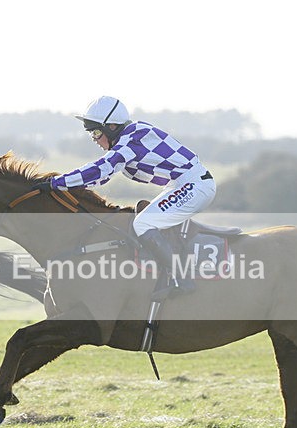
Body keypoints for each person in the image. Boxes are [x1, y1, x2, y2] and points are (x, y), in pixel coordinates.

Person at [34, 96, 215, 295]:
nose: (94, 139)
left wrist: (56, 183)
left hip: (195, 186)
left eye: (95, 132)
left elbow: (100, 169)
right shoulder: (129, 137)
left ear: (112, 126)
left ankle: (181, 279)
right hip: (183, 185)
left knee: (142, 224)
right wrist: (63, 186)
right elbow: (100, 178)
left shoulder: (131, 140)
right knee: (142, 221)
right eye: (91, 134)